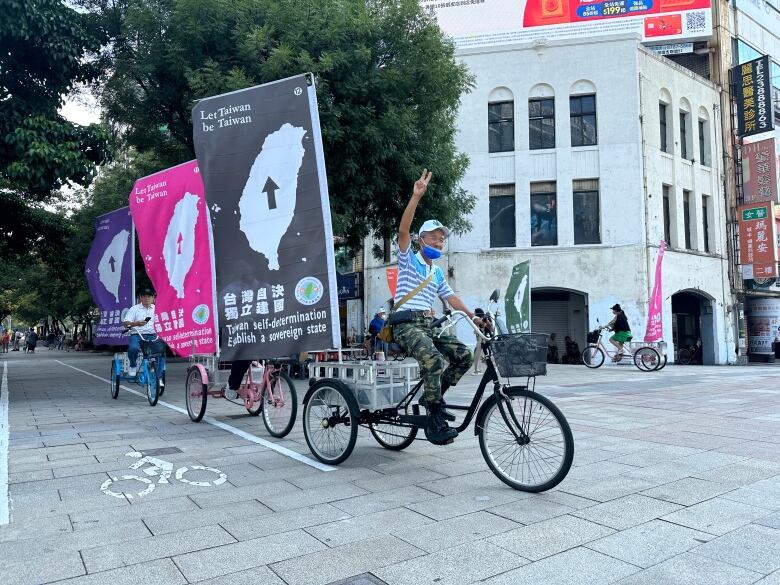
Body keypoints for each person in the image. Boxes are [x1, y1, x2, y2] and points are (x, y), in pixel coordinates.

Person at [392, 169, 475, 445]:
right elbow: (403, 229)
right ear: (421, 240)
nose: (440, 243)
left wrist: (475, 316)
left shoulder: (436, 272)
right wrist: (416, 196)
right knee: (434, 359)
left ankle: (435, 399)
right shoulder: (408, 259)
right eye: (434, 238)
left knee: (464, 354)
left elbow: (451, 298)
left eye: (442, 240)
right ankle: (434, 415)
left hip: (428, 326)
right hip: (404, 325)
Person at [122, 287, 164, 384]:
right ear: (140, 297)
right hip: (137, 334)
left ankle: (159, 377)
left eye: (149, 296)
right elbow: (125, 323)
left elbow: (164, 321)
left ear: (153, 298)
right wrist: (136, 323)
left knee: (161, 353)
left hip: (153, 334)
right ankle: (133, 365)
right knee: (133, 348)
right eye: (144, 296)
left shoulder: (158, 309)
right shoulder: (134, 309)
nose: (147, 298)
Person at [472, 308, 493, 374]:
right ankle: (477, 370)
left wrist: (486, 320)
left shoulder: (482, 319)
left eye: (475, 312)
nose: (474, 313)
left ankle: (491, 368)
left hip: (484, 339)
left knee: (484, 355)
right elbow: (479, 324)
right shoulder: (475, 319)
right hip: (480, 339)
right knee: (479, 354)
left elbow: (490, 328)